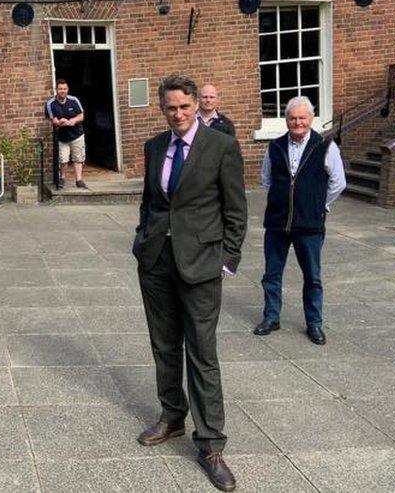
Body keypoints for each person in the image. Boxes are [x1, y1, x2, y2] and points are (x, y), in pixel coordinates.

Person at [133, 75, 247, 492]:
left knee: (202, 352)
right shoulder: (154, 147)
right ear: (162, 108)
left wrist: (227, 262)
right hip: (157, 262)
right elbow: (150, 201)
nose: (178, 115)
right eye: (170, 108)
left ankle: (211, 444)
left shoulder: (221, 146)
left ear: (196, 104)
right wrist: (142, 240)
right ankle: (172, 417)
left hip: (202, 265)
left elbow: (236, 210)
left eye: (184, 107)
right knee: (164, 345)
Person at [253, 96, 346, 345]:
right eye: (293, 118)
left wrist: (319, 204)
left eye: (302, 118)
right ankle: (271, 317)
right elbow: (267, 179)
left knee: (312, 277)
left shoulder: (325, 146)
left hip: (310, 226)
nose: (297, 122)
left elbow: (338, 182)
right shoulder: (275, 147)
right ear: (286, 120)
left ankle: (314, 323)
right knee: (271, 274)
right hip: (277, 223)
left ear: (311, 119)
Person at [45, 79, 87, 189]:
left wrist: (72, 121)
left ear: (67, 89)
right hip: (62, 137)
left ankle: (79, 179)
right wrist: (60, 122)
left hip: (77, 134)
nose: (62, 91)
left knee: (78, 158)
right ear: (56, 90)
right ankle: (62, 178)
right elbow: (53, 120)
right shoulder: (50, 104)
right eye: (60, 89)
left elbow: (81, 116)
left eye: (64, 89)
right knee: (63, 159)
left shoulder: (74, 100)